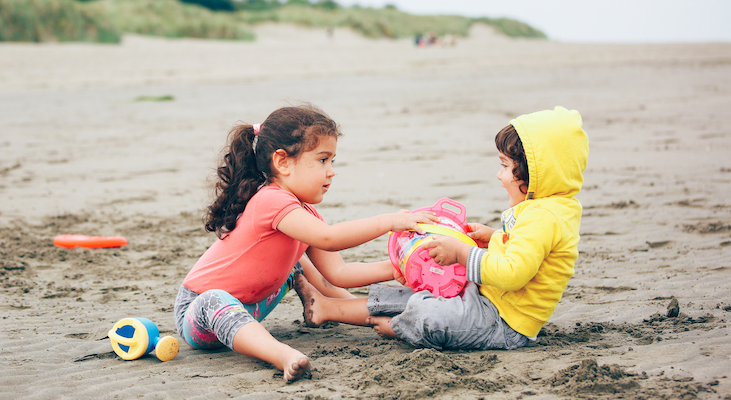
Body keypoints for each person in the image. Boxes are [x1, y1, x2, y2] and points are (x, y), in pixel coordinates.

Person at [174, 105, 437, 382]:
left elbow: (340, 274)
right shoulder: (270, 200)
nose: (332, 171)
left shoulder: (306, 214)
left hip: (251, 306)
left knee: (298, 266)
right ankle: (280, 354)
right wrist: (388, 221)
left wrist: (399, 265)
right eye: (323, 160)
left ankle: (341, 310)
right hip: (200, 313)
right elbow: (330, 238)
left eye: (333, 161)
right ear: (283, 162)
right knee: (215, 298)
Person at [294, 106, 589, 351]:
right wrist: (495, 237)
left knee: (428, 312)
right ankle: (326, 308)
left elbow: (515, 273)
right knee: (420, 291)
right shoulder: (545, 210)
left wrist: (462, 253)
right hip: (489, 299)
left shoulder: (544, 216)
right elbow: (529, 250)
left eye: (505, 166)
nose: (499, 176)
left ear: (536, 174)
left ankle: (399, 328)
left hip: (504, 323)